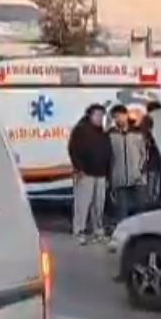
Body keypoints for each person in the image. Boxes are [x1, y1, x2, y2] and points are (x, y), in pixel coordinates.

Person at [68, 103, 112, 244]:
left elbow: (108, 153)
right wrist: (78, 168)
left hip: (101, 174)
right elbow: (73, 150)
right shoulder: (80, 131)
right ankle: (79, 231)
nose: (100, 118)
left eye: (102, 115)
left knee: (99, 205)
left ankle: (98, 231)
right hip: (85, 173)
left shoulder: (103, 133)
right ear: (90, 115)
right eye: (98, 115)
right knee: (83, 204)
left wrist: (108, 172)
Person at [107, 104, 148, 226]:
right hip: (119, 179)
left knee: (141, 209)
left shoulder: (137, 133)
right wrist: (110, 177)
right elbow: (109, 157)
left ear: (126, 115)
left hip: (137, 178)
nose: (118, 119)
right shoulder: (110, 135)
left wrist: (141, 170)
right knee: (121, 211)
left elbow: (144, 154)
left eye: (119, 116)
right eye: (115, 117)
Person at [140, 101, 161, 208]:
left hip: (156, 154)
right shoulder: (147, 121)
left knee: (155, 177)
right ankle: (150, 200)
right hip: (151, 154)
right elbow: (145, 137)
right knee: (152, 177)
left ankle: (154, 199)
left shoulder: (158, 120)